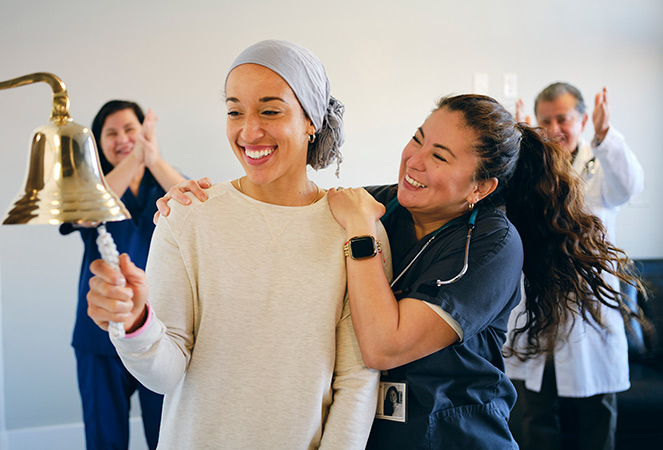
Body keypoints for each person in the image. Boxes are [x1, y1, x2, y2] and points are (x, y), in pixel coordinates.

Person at [159, 93, 641, 449]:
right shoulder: (386, 203)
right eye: (418, 139)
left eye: (440, 156)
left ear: (480, 186)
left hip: (450, 434)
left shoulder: (493, 244)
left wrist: (360, 237)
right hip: (378, 431)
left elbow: (383, 343)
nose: (414, 161)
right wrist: (194, 200)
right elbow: (292, 205)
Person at [85, 40, 389, 449]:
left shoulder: (353, 228)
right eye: (234, 111)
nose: (248, 131)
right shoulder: (189, 215)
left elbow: (356, 378)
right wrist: (136, 322)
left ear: (310, 121)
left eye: (270, 110)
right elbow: (165, 373)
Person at [506, 82, 645, 450]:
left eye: (563, 119)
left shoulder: (601, 167)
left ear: (582, 119)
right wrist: (524, 148)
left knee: (597, 411)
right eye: (544, 121)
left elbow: (631, 185)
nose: (554, 129)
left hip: (590, 310)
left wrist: (605, 135)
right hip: (540, 305)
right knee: (537, 411)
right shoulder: (531, 170)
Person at [59, 100, 186, 449]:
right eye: (111, 133)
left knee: (165, 436)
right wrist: (135, 158)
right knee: (104, 439)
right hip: (98, 336)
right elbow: (86, 210)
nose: (122, 138)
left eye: (130, 129)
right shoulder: (91, 187)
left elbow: (201, 211)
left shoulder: (166, 182)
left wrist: (152, 158)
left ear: (145, 133)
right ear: (98, 144)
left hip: (157, 334)